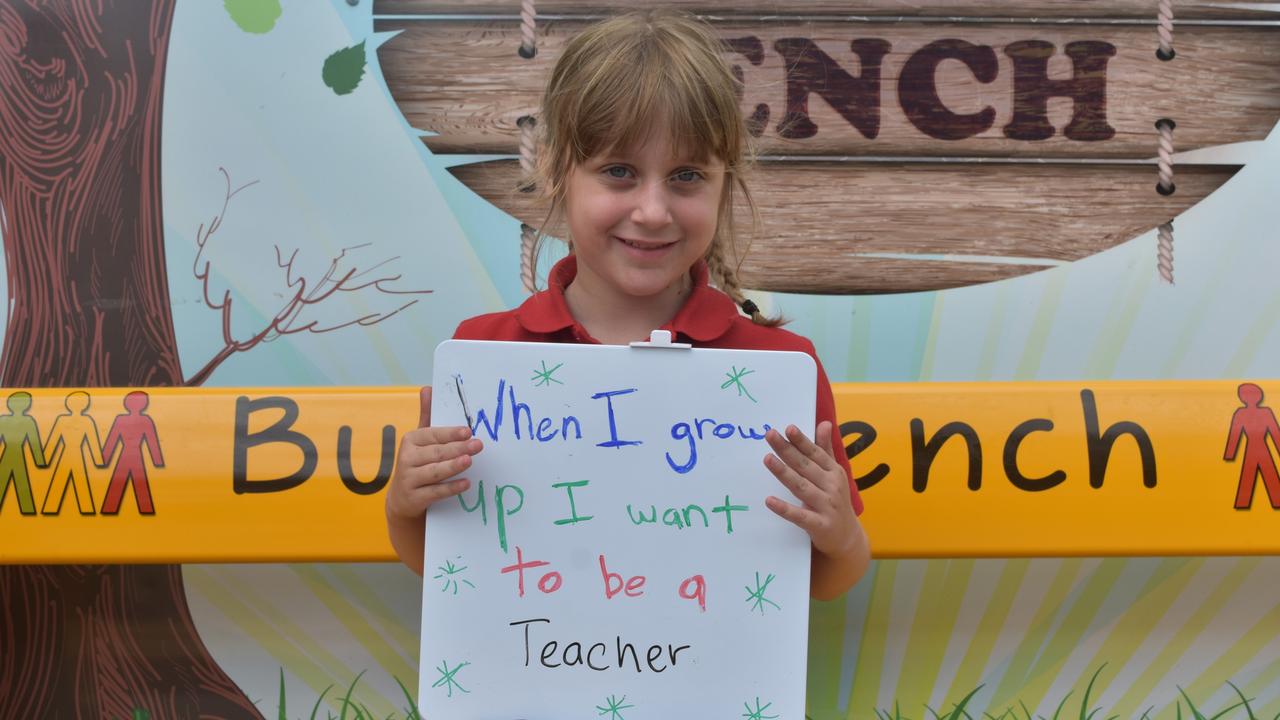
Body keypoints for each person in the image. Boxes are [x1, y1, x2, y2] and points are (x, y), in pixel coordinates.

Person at [386, 9, 870, 601]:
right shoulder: (486, 355)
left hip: (709, 687)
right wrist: (406, 506)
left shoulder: (780, 370)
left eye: (687, 175)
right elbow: (444, 565)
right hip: (534, 680)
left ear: (725, 185)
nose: (652, 211)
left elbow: (829, 579)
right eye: (618, 171)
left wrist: (839, 535)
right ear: (556, 172)